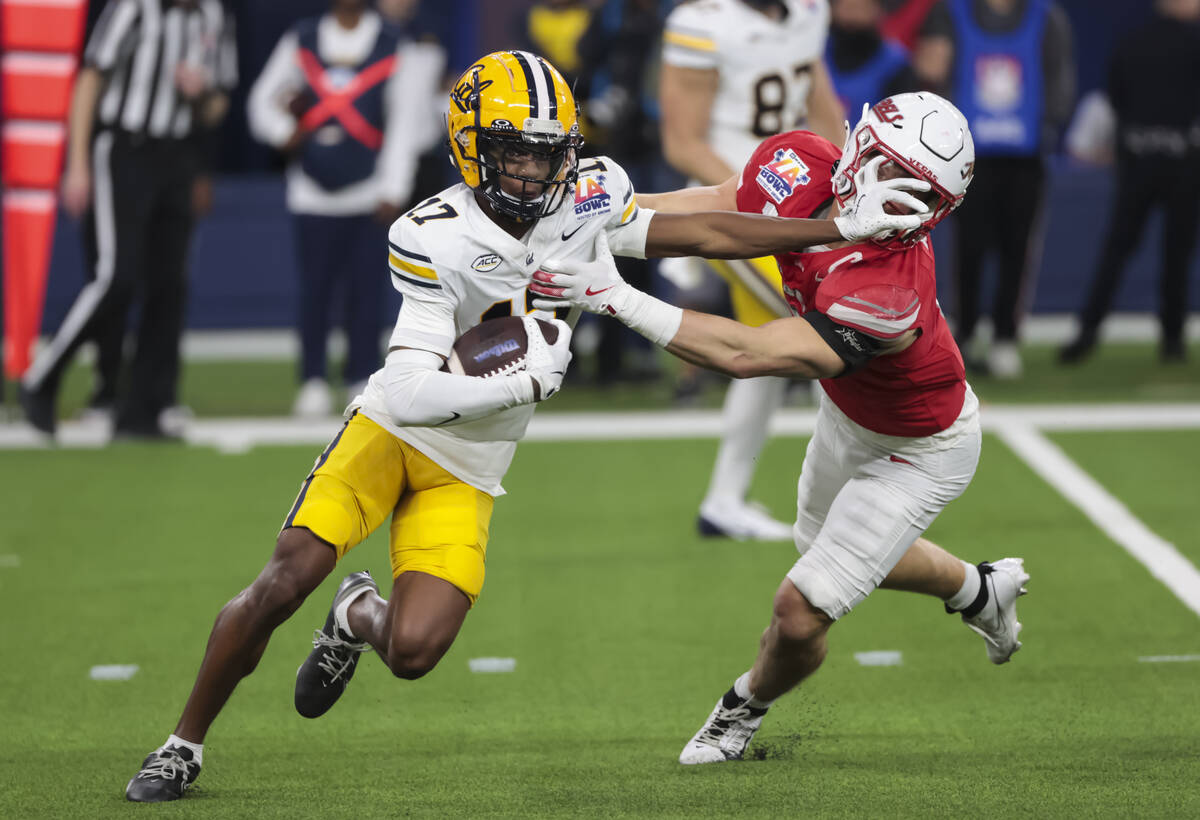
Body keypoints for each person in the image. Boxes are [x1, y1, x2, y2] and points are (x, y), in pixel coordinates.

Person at [121, 50, 923, 802]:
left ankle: (355, 615)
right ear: (472, 148)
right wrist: (520, 382)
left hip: (469, 465)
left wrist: (835, 229)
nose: (536, 169)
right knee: (285, 576)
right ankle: (183, 742)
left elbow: (710, 232)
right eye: (517, 152)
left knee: (412, 652)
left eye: (550, 151)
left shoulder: (587, 199)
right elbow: (404, 393)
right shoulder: (430, 233)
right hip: (397, 434)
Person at [528, 92, 1030, 765]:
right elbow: (714, 212)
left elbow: (749, 355)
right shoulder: (798, 161)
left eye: (924, 197)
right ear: (859, 146)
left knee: (800, 608)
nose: (902, 203)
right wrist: (593, 219)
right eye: (893, 174)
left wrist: (614, 294)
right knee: (820, 544)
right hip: (850, 415)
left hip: (922, 449)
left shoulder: (891, 291)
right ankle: (978, 588)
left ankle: (741, 710)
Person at [660, 0, 846, 541]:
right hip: (737, 208)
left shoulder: (809, 11)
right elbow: (683, 141)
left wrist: (843, 181)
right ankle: (849, 502)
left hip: (800, 204)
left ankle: (723, 500)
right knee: (828, 329)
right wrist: (759, 198)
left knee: (774, 344)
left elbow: (823, 106)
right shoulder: (703, 23)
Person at [19, 0, 236, 438]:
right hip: (125, 150)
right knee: (116, 277)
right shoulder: (133, 8)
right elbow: (91, 78)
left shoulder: (214, 16)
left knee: (169, 284)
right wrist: (77, 161)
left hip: (178, 155)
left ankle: (144, 407)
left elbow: (218, 105)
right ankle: (41, 377)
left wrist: (203, 96)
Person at [247, 0, 444, 417]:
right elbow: (261, 101)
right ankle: (313, 379)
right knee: (315, 291)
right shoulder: (301, 38)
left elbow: (404, 121)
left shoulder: (394, 45)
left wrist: (394, 187)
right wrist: (283, 131)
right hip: (311, 191)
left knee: (366, 291)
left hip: (369, 192)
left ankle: (361, 376)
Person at [915, 0, 1074, 377]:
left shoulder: (1046, 16)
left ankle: (1005, 338)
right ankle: (964, 333)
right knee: (966, 250)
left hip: (1025, 159)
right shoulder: (950, 13)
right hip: (968, 159)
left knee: (1017, 250)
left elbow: (1060, 79)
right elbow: (930, 72)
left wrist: (1046, 125)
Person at [1059, 0, 1200, 365]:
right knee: (1170, 254)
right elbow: (1117, 97)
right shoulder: (1166, 41)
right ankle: (1171, 342)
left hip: (1142, 161)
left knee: (1124, 250)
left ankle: (1089, 334)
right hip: (1178, 162)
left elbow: (1115, 97)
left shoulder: (1132, 40)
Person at [826, 0, 914, 117]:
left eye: (861, 8)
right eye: (848, 8)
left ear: (877, 10)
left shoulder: (896, 66)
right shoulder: (815, 54)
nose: (854, 17)